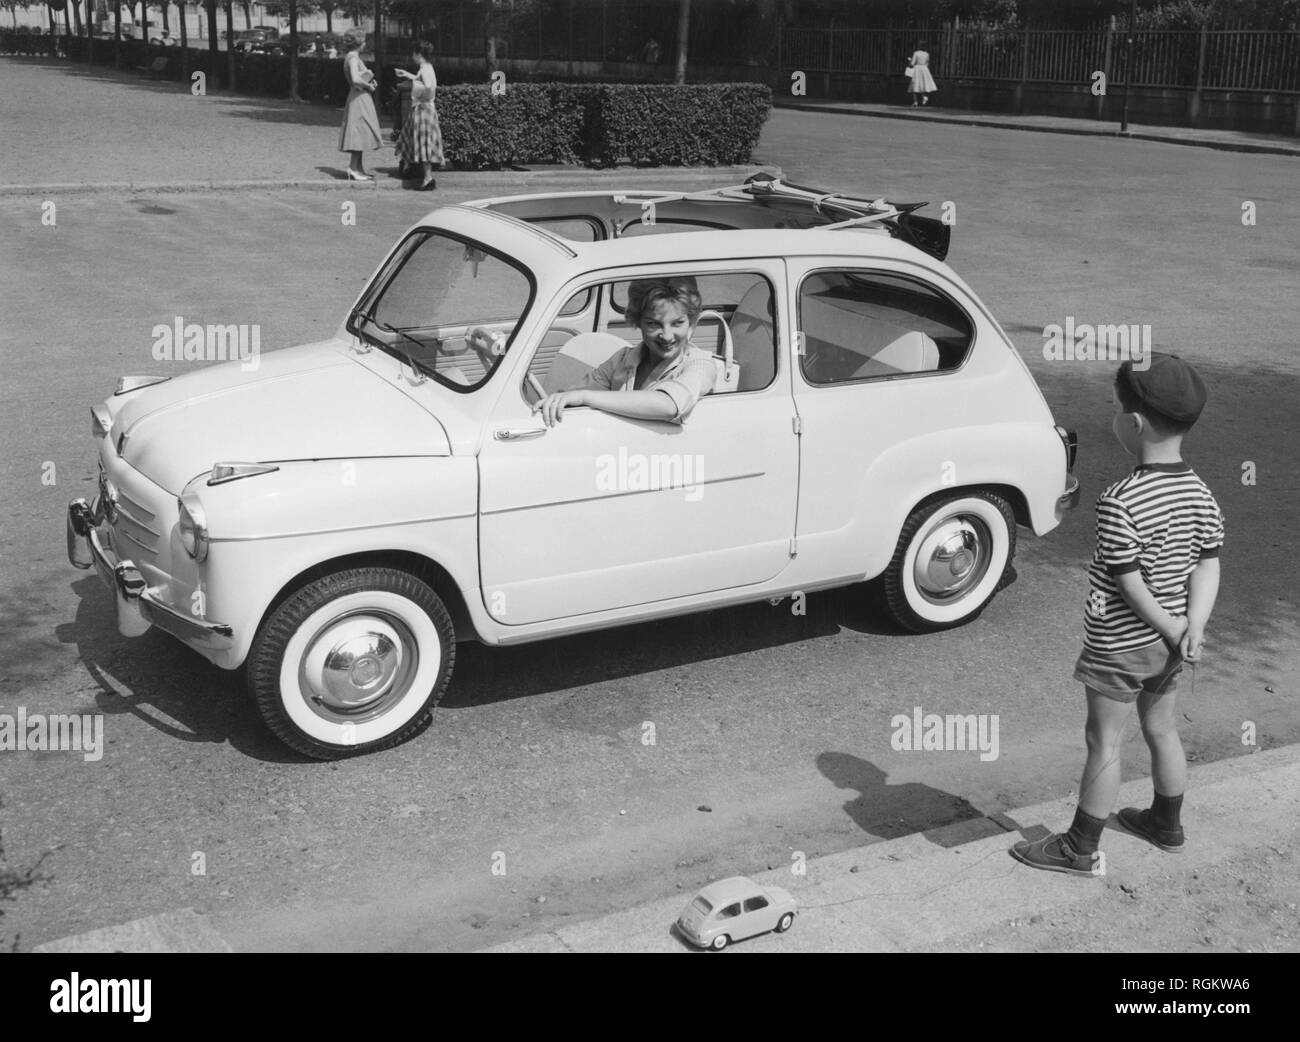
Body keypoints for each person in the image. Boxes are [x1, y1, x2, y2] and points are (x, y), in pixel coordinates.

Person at [1011, 354, 1224, 876]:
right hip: (1171, 645)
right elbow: (1207, 566)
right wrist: (1190, 626)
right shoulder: (1201, 493)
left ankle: (1079, 848)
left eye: (1114, 409)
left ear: (1133, 424)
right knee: (1162, 729)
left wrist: (1171, 625)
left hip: (1121, 645)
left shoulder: (1120, 500)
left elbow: (1128, 584)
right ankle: (1166, 823)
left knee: (1103, 741)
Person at [533, 277, 718, 427]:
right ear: (638, 322)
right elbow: (575, 395)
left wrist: (584, 396)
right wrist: (558, 400)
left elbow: (669, 405)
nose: (667, 336)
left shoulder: (701, 364)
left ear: (692, 324)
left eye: (678, 323)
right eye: (654, 324)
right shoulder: (623, 358)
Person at [395, 42, 445, 192]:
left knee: (423, 142)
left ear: (418, 54)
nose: (412, 57)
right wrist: (407, 74)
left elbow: (429, 86)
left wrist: (423, 97)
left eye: (413, 54)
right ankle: (411, 168)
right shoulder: (426, 67)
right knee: (412, 138)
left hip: (423, 109)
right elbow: (422, 80)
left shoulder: (425, 69)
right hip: (424, 108)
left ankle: (427, 177)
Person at [338, 28, 382, 181]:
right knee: (358, 130)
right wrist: (368, 85)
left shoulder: (352, 57)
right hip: (359, 96)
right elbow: (356, 79)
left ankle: (358, 168)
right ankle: (352, 167)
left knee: (362, 130)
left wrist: (368, 82)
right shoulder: (353, 58)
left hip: (359, 96)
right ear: (360, 43)